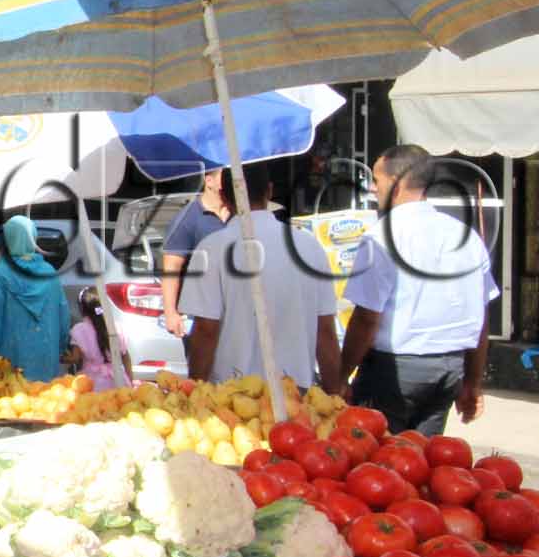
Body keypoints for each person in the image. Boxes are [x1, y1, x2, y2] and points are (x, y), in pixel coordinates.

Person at [341, 146, 499, 435]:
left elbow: (366, 319)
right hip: (448, 370)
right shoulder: (464, 235)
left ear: (397, 184)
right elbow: (481, 315)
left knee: (380, 463)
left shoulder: (381, 237)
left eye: (377, 180)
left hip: (395, 372)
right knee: (421, 462)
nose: (372, 189)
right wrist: (473, 382)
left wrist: (340, 376)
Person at [178, 166, 342, 392]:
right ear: (270, 191)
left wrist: (196, 393)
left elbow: (206, 329)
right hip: (296, 394)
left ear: (223, 195)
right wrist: (335, 396)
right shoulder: (309, 246)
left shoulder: (212, 249)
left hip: (231, 395)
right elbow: (325, 330)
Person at [0, 213, 68, 380]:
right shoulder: (49, 273)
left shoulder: (2, 274)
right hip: (46, 355)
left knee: (15, 404)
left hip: (11, 360)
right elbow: (62, 316)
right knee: (46, 401)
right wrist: (62, 346)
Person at [158, 170, 232, 338]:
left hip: (234, 314)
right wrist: (170, 313)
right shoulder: (187, 219)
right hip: (200, 315)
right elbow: (171, 269)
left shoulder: (238, 216)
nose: (231, 180)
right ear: (209, 181)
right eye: (225, 176)